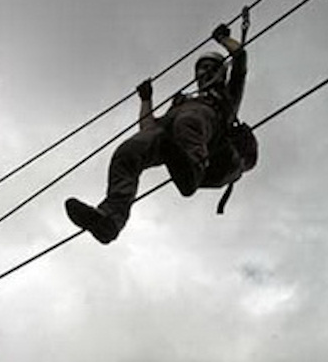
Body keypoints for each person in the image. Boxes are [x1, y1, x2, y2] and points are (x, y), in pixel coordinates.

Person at [66, 23, 257, 243]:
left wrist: (223, 39)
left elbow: (240, 57)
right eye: (201, 68)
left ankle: (192, 170)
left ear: (222, 72)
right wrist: (146, 100)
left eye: (210, 67)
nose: (204, 72)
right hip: (174, 137)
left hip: (206, 135)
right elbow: (149, 129)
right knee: (128, 150)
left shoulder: (227, 98)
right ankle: (110, 218)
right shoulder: (181, 102)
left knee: (188, 122)